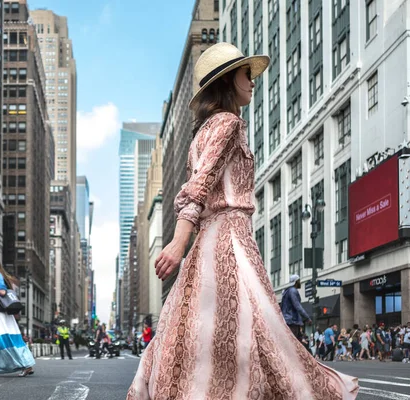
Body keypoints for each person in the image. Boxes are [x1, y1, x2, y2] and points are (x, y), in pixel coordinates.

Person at [126, 42, 359, 400]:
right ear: (226, 80)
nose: (252, 82)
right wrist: (177, 241)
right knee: (256, 327)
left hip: (210, 241)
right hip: (228, 241)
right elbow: (199, 185)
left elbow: (198, 186)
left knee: (206, 331)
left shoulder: (201, 132)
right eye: (245, 74)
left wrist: (186, 241)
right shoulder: (229, 124)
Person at [280, 274, 311, 343]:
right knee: (293, 343)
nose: (300, 283)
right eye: (299, 281)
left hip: (288, 320)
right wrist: (307, 318)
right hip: (292, 321)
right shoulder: (293, 291)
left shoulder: (286, 291)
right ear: (295, 282)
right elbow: (297, 306)